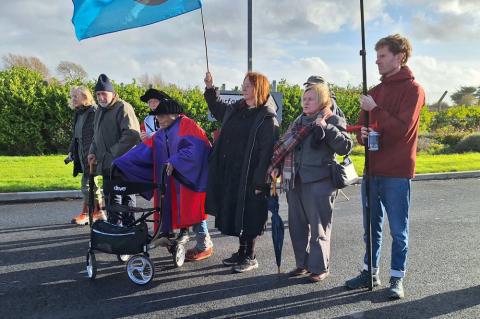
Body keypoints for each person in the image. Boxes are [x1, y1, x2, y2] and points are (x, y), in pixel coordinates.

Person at [345, 34, 425, 299]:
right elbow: (360, 129)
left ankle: (396, 278)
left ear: (399, 56)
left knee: (398, 230)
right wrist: (362, 135)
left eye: (382, 56)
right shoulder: (374, 91)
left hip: (397, 173)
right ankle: (370, 272)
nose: (377, 62)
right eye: (376, 56)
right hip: (372, 171)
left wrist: (375, 109)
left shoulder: (413, 90)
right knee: (371, 228)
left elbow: (403, 129)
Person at [269, 83, 353, 282]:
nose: (305, 103)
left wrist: (327, 128)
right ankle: (303, 264)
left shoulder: (332, 118)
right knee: (297, 227)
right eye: (304, 99)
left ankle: (319, 267)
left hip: (320, 181)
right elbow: (288, 149)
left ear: (322, 100)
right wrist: (277, 168)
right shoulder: (299, 121)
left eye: (311, 99)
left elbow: (346, 147)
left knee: (319, 228)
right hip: (295, 181)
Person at [113, 95, 213, 260]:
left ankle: (204, 245)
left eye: (161, 116)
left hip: (188, 178)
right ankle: (171, 241)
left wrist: (175, 160)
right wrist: (121, 163)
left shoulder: (187, 124)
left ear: (172, 115)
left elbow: (199, 147)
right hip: (170, 181)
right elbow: (145, 150)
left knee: (193, 210)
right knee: (170, 209)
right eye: (157, 116)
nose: (158, 119)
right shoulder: (162, 132)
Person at [204, 71, 276, 273]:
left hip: (252, 175)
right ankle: (241, 252)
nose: (243, 88)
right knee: (237, 212)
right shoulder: (236, 110)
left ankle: (250, 256)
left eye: (248, 86)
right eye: (243, 85)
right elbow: (217, 107)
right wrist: (210, 87)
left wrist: (260, 181)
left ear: (259, 88)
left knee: (251, 213)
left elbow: (266, 153)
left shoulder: (266, 118)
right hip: (233, 172)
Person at [87, 74, 141, 225]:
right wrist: (92, 151)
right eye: (98, 94)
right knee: (110, 195)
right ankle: (114, 227)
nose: (101, 97)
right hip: (106, 163)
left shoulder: (123, 107)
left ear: (112, 93)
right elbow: (96, 135)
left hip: (123, 163)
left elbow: (132, 135)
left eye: (104, 93)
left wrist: (112, 153)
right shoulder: (99, 110)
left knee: (125, 195)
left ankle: (129, 228)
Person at [68, 86, 105, 225]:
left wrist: (94, 152)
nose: (73, 99)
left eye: (75, 97)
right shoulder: (79, 113)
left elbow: (98, 135)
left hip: (91, 154)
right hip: (81, 154)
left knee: (89, 184)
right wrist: (71, 151)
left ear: (85, 97)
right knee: (89, 184)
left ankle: (93, 213)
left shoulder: (94, 111)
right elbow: (75, 136)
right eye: (72, 97)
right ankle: (96, 212)